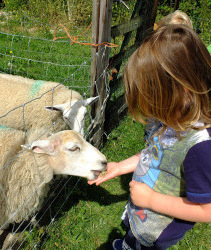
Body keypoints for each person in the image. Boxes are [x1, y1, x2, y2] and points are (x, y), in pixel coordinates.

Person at [88, 24, 211, 249]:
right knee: (132, 237)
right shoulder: (174, 118)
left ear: (183, 89)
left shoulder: (201, 147)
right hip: (143, 211)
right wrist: (120, 167)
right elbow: (155, 153)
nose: (154, 113)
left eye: (156, 103)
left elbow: (207, 210)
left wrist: (151, 200)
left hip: (157, 230)